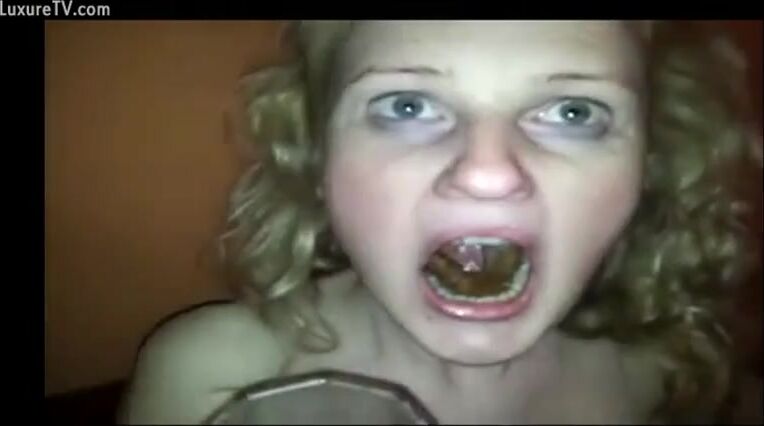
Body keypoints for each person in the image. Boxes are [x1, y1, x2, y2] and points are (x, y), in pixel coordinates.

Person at [117, 20, 762, 424]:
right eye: (406, 105)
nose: (488, 173)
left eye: (573, 113)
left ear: (649, 164)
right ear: (317, 157)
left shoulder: (668, 375)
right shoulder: (216, 379)